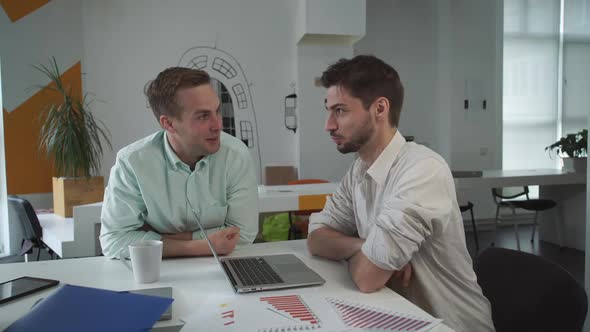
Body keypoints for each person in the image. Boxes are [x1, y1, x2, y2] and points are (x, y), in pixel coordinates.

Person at [307, 55, 494, 331]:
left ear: (379, 108)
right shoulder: (359, 170)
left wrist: (366, 258)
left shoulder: (422, 170)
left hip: (449, 325)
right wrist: (363, 246)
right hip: (397, 316)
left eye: (340, 111)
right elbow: (316, 238)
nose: (328, 125)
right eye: (329, 110)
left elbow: (368, 278)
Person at [100, 67, 258, 259]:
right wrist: (201, 246)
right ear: (168, 124)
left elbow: (243, 234)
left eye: (217, 111)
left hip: (224, 269)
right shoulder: (132, 162)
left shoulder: (235, 155)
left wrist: (158, 239)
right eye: (203, 116)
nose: (217, 125)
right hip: (158, 273)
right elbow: (113, 240)